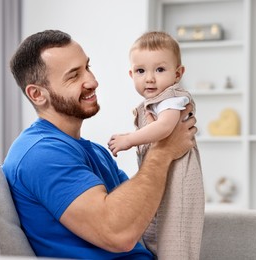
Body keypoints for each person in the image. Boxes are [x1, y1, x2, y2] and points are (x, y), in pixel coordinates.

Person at [2, 29, 197, 259]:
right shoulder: (39, 154)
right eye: (74, 75)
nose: (92, 81)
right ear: (37, 94)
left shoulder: (96, 152)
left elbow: (142, 214)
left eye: (87, 67)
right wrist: (163, 150)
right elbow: (118, 233)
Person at [108, 31, 205, 260]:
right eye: (141, 71)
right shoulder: (152, 103)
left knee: (176, 240)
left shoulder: (173, 98)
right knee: (153, 236)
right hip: (162, 181)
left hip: (179, 184)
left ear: (178, 73)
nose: (150, 78)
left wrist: (130, 139)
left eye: (160, 70)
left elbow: (164, 128)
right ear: (131, 74)